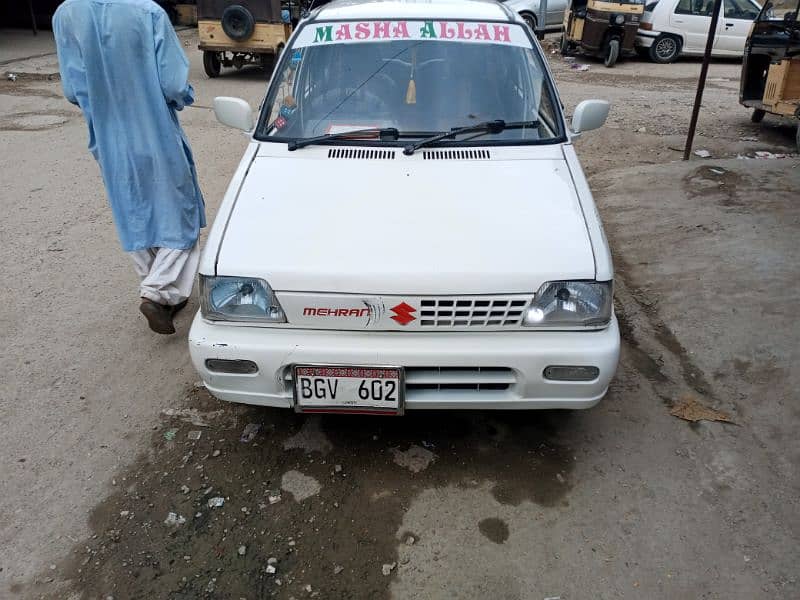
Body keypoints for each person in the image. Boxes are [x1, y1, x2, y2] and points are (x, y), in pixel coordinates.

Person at [53, 0, 205, 335]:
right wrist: (180, 98)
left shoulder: (65, 14)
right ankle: (156, 291)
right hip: (155, 133)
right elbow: (175, 84)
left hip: (108, 139)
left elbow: (71, 90)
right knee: (182, 214)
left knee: (134, 211)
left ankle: (161, 292)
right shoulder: (147, 12)